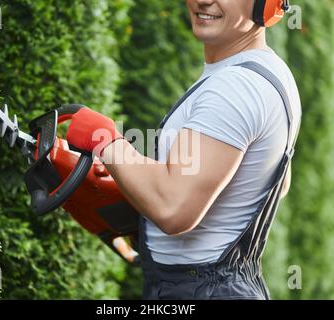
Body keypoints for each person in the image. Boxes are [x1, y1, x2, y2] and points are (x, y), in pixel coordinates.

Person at [66, 0, 301, 300]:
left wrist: (106, 140)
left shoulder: (235, 88)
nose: (203, 1)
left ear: (266, 5)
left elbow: (173, 208)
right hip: (221, 284)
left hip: (201, 290)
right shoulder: (270, 70)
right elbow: (275, 185)